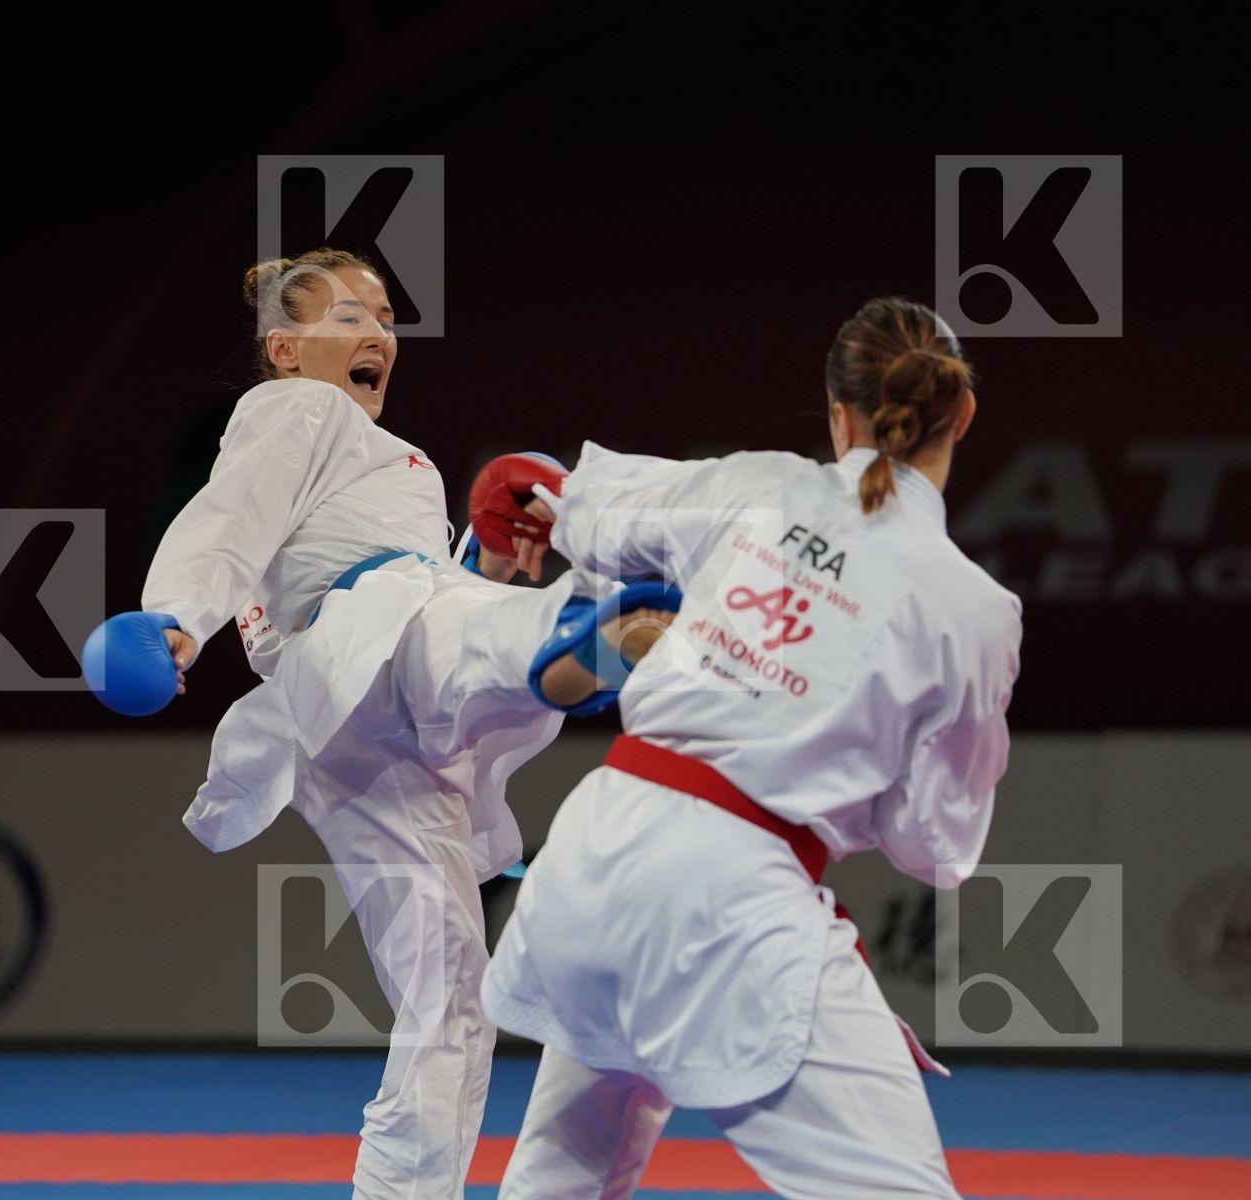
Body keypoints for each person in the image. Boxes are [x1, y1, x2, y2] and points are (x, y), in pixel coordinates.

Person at [481, 297, 1024, 1199]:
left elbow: (590, 514)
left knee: (561, 1177)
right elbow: (934, 849)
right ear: (962, 414)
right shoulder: (971, 608)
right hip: (725, 902)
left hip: (594, 855)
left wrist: (532, 488)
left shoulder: (760, 484)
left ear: (836, 411)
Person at [92, 248, 605, 1199]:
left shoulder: (383, 459)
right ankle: (596, 635)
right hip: (372, 639)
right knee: (473, 639)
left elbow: (389, 578)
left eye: (385, 318)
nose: (379, 332)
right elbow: (227, 517)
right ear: (284, 349)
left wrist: (487, 555)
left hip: (349, 731)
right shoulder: (299, 408)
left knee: (450, 999)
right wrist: (174, 616)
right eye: (349, 317)